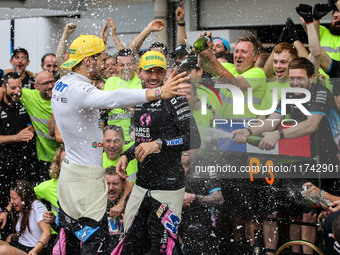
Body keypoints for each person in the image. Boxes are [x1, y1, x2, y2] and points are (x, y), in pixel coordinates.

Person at [51, 35, 190, 254]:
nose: (109, 66)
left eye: (159, 71)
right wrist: (157, 93)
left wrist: (130, 152)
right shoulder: (81, 90)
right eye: (102, 59)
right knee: (96, 242)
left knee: (71, 237)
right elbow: (111, 98)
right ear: (88, 61)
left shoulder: (63, 82)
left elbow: (190, 139)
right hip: (85, 178)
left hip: (72, 173)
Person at [233, 57, 340, 254]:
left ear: (312, 77)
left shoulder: (320, 91)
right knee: (297, 214)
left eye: (300, 78)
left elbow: (311, 125)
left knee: (315, 216)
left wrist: (278, 135)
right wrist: (247, 131)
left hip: (329, 161)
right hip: (304, 160)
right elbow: (271, 122)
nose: (295, 83)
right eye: (292, 78)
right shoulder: (289, 94)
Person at [116, 50, 200, 253]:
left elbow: (193, 139)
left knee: (162, 249)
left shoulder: (176, 100)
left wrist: (159, 144)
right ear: (139, 73)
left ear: (165, 73)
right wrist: (126, 155)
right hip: (142, 186)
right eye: (149, 71)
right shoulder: (141, 100)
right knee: (131, 246)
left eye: (159, 72)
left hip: (168, 189)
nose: (154, 76)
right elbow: (142, 140)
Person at [0, 72, 36, 209]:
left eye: (19, 87)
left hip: (23, 161)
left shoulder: (22, 105)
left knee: (24, 199)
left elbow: (31, 126)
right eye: (13, 88)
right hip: (4, 164)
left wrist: (29, 132)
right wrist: (16, 137)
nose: (17, 92)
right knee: (5, 200)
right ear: (4, 87)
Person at [181, 149, 224, 254]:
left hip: (199, 224)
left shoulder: (206, 167)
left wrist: (195, 198)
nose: (186, 150)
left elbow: (218, 198)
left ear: (199, 150)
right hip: (173, 222)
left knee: (196, 230)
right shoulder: (171, 166)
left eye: (190, 146)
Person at [20, 71, 59, 184]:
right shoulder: (30, 97)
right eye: (45, 83)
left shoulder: (62, 97)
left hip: (64, 157)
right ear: (36, 86)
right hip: (44, 158)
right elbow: (7, 88)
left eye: (52, 82)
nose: (50, 86)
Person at [0, 180, 51, 255]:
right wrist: (6, 213)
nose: (12, 201)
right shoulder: (19, 208)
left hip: (33, 251)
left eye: (14, 198)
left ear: (24, 198)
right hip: (20, 246)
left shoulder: (36, 206)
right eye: (11, 198)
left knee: (3, 250)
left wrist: (35, 251)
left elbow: (47, 232)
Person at [104, 49, 142, 142]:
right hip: (113, 139)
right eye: (122, 65)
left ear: (135, 65)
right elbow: (104, 106)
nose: (126, 67)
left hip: (136, 137)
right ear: (116, 67)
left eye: (129, 64)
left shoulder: (141, 81)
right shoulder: (111, 81)